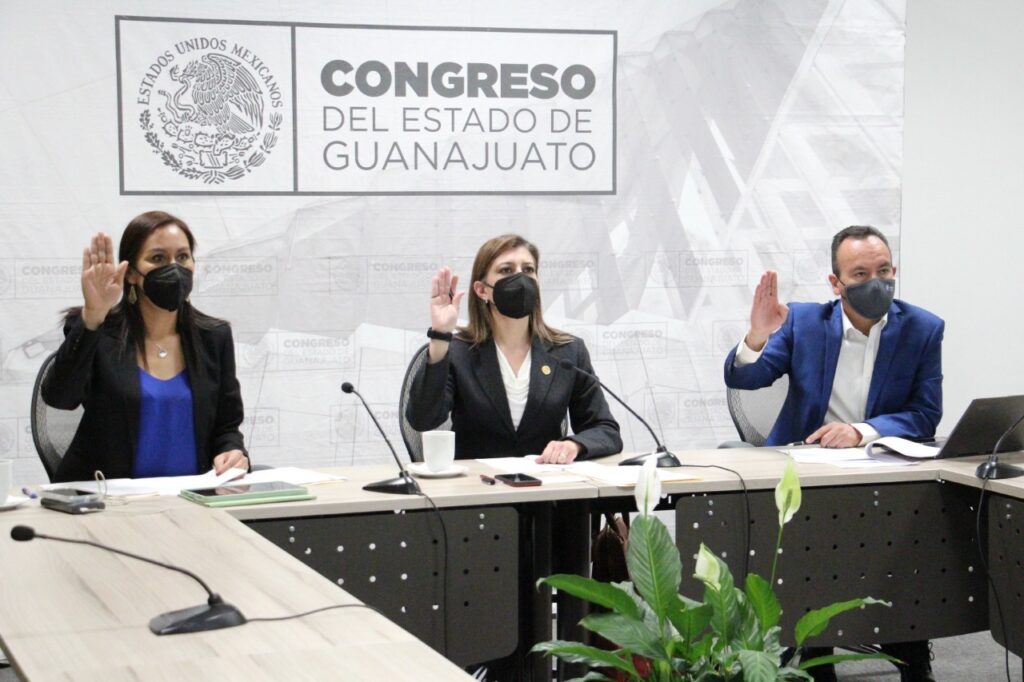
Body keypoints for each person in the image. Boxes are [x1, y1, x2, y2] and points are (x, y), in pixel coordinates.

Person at [724, 225, 941, 682]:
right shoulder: (804, 322)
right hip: (807, 473)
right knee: (812, 554)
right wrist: (757, 336)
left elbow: (925, 413)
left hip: (883, 472)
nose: (875, 282)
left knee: (909, 546)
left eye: (884, 271)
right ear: (835, 283)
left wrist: (861, 431)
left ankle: (910, 650)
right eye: (860, 274)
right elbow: (746, 379)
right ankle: (814, 655)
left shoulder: (923, 328)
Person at [42, 211, 248, 482]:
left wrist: (232, 451)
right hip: (108, 495)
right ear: (131, 273)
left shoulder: (213, 337)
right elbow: (60, 397)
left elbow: (227, 426)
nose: (174, 268)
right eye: (158, 258)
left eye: (183, 257)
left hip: (193, 494)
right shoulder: (99, 331)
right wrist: (92, 316)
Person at [405, 234, 622, 463]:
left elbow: (605, 429)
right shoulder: (459, 352)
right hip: (477, 483)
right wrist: (440, 336)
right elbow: (422, 420)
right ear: (482, 290)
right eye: (506, 270)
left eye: (528, 270)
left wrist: (574, 445)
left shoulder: (568, 353)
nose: (520, 278)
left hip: (547, 482)